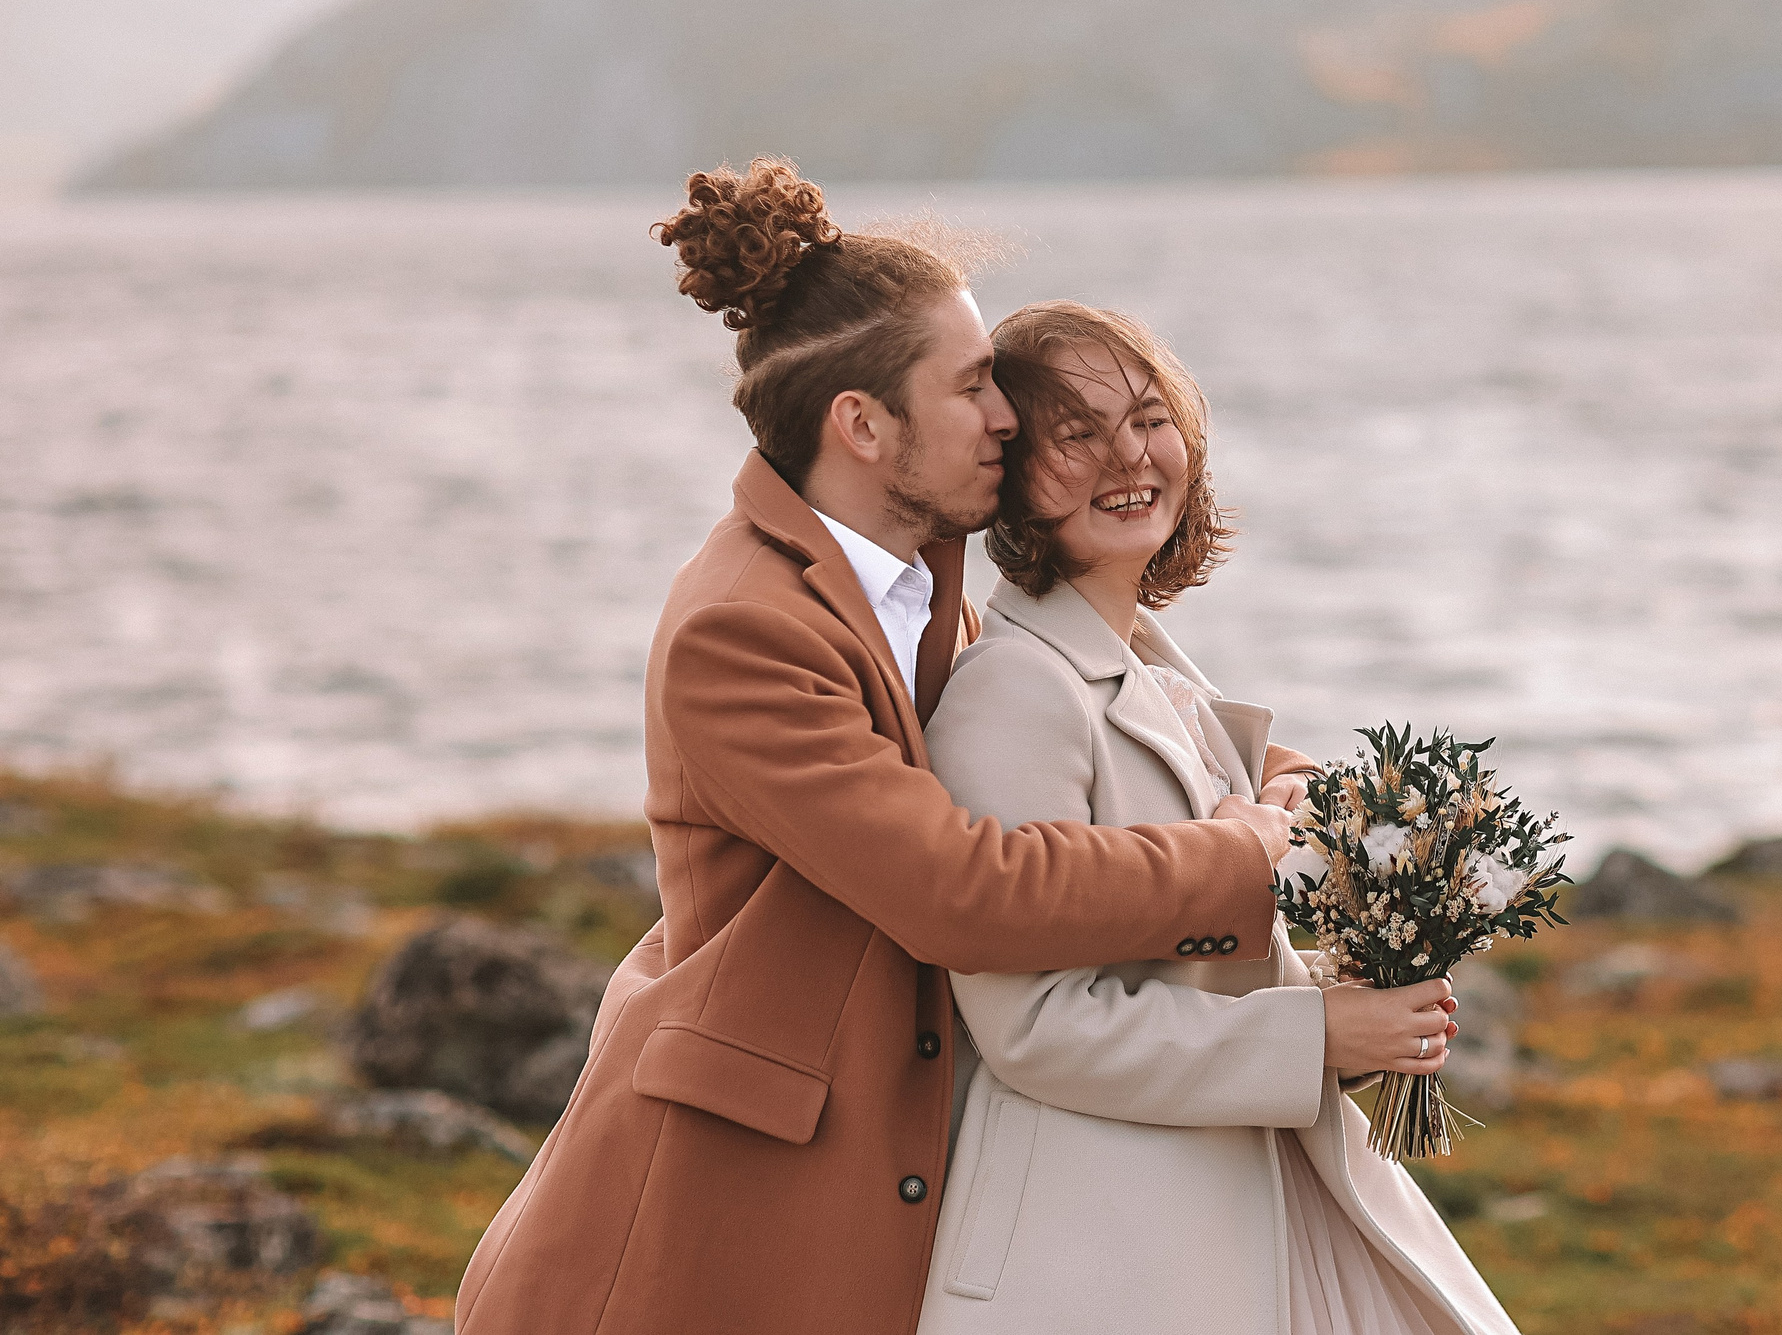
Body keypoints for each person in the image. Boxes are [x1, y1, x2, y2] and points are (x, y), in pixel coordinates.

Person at [455, 161, 1310, 1335]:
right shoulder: (743, 630)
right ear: (861, 424)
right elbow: (960, 888)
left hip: (864, 1188)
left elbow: (1085, 705)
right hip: (708, 1220)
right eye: (969, 389)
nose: (1005, 416)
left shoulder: (926, 581)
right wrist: (1235, 860)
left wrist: (1253, 776)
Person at [919, 301, 1513, 1335]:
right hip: (1098, 1252)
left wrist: (1361, 1002)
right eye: (1075, 433)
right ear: (1007, 470)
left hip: (1234, 1203)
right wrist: (1317, 1035)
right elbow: (1032, 1026)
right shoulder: (1011, 689)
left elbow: (1194, 960)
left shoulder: (1154, 667)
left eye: (1148, 417)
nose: (1127, 455)